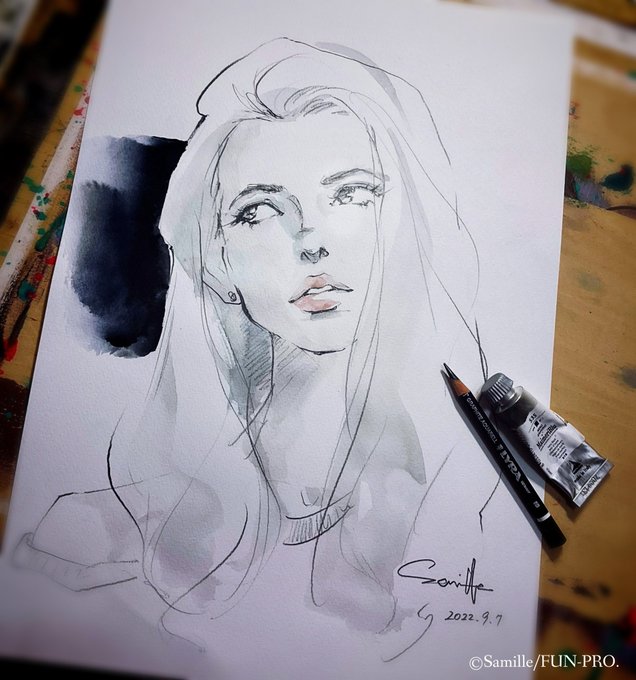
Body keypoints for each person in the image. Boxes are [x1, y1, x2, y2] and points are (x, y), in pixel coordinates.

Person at [17, 38, 490, 636]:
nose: (313, 242)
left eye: (352, 194)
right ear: (216, 259)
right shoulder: (98, 528)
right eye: (260, 210)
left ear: (402, 222)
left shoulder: (456, 496)